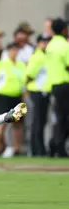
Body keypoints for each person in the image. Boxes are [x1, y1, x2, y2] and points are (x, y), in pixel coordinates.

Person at [0, 42, 26, 158]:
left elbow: (24, 81)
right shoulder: (1, 64)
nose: (15, 52)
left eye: (17, 50)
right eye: (13, 50)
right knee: (1, 122)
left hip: (17, 96)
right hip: (3, 96)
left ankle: (16, 148)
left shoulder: (21, 65)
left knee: (18, 123)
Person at [45, 18, 69, 158]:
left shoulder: (50, 46)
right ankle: (59, 146)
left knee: (60, 117)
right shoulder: (64, 46)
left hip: (54, 85)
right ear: (63, 30)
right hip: (65, 84)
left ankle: (55, 144)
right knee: (64, 119)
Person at [26, 34, 51, 157]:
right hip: (37, 91)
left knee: (41, 121)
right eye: (43, 42)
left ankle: (39, 148)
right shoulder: (37, 56)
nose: (45, 44)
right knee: (37, 121)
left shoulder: (45, 56)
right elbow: (30, 74)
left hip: (44, 92)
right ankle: (36, 149)